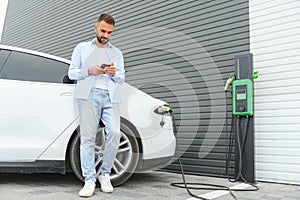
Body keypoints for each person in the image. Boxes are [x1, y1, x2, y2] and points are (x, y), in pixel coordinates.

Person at [68, 13, 125, 197]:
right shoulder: (82, 48)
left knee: (115, 133)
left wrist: (114, 73)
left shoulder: (117, 53)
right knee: (88, 139)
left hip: (110, 96)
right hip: (88, 95)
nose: (106, 35)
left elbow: (121, 79)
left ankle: (105, 174)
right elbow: (71, 73)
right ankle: (90, 179)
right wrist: (89, 70)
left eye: (109, 32)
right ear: (95, 28)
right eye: (103, 30)